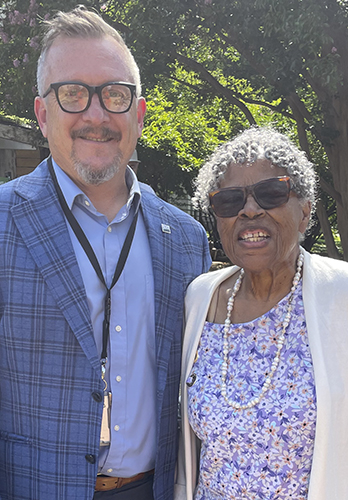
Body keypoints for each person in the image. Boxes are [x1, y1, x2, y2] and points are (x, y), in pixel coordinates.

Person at [0, 7, 211, 500]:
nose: (96, 115)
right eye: (73, 93)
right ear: (42, 112)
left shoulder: (185, 239)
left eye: (115, 95)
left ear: (138, 114)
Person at [175, 126, 348, 500]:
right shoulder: (201, 299)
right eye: (229, 201)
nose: (249, 209)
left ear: (305, 212)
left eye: (272, 193)